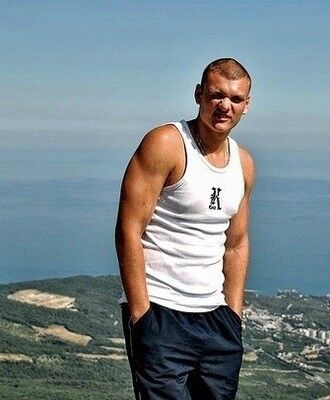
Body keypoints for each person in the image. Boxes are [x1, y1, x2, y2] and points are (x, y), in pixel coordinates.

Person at [115, 58, 255, 400]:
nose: (225, 106)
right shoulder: (166, 143)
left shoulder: (244, 163)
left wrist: (234, 315)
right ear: (198, 94)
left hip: (217, 320)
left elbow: (236, 244)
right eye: (216, 95)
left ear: (246, 105)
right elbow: (129, 230)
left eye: (235, 99)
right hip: (161, 312)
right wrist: (142, 316)